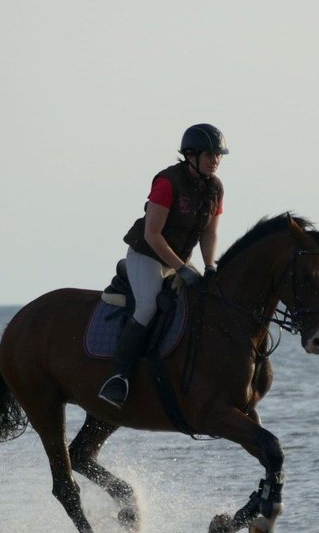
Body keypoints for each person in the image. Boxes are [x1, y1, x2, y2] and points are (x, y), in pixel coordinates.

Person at [97, 123, 228, 409]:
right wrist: (181, 268)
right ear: (191, 155)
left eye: (219, 156)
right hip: (148, 256)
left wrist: (209, 266)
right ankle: (119, 378)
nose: (216, 161)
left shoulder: (215, 188)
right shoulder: (168, 182)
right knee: (148, 307)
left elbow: (209, 233)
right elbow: (152, 235)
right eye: (210, 155)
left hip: (179, 259)